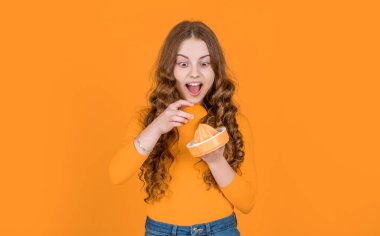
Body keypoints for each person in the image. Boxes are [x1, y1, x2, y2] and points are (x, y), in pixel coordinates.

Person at [108, 20, 258, 236]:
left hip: (219, 230)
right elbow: (116, 174)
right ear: (170, 69)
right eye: (183, 64)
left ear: (215, 69)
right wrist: (156, 128)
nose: (194, 73)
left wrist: (216, 161)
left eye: (204, 64)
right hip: (161, 231)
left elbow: (247, 202)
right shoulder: (147, 121)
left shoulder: (234, 122)